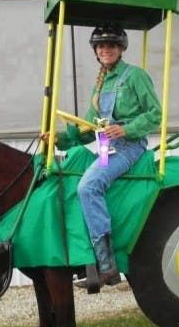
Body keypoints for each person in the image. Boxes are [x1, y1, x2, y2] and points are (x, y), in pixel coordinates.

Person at [45, 24, 161, 286]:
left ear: (121, 49)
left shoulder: (135, 76)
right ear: (96, 52)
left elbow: (156, 114)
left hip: (129, 146)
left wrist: (127, 129)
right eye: (101, 46)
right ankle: (86, 260)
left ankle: (108, 265)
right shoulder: (99, 85)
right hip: (106, 147)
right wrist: (58, 139)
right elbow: (88, 129)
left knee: (88, 186)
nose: (106, 50)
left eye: (111, 45)